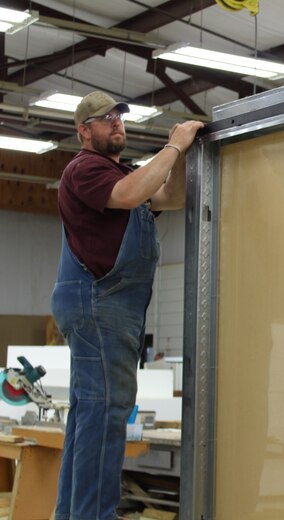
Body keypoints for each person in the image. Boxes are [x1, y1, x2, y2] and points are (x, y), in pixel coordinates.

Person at [51, 91, 203, 520]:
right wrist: (173, 145)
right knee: (105, 416)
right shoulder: (86, 170)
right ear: (84, 131)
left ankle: (72, 515)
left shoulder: (121, 172)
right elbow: (131, 193)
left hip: (109, 307)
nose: (117, 122)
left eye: (119, 116)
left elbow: (167, 198)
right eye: (105, 119)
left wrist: (187, 156)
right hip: (99, 304)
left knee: (90, 416)